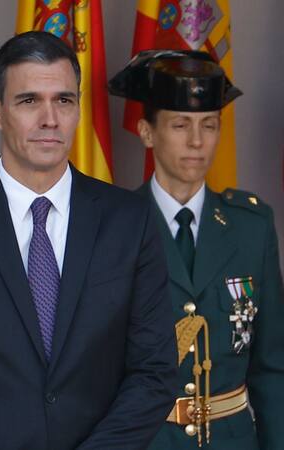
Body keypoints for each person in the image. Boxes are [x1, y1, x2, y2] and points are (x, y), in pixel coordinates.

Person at [0, 31, 178, 450]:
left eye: (64, 100)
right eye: (29, 101)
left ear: (79, 109)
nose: (50, 119)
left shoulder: (129, 221)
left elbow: (154, 373)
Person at [109, 50, 284, 449]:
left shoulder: (251, 228)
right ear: (146, 132)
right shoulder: (113, 228)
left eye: (209, 125)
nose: (196, 141)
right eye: (180, 124)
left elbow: (272, 367)